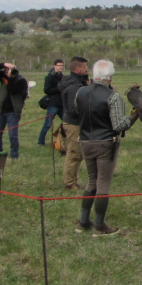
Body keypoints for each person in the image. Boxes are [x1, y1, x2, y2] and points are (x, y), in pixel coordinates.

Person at [74, 60, 140, 236]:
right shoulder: (113, 96)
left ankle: (83, 222)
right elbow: (119, 126)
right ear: (110, 76)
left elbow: (77, 112)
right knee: (103, 183)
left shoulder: (80, 92)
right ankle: (99, 225)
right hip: (105, 143)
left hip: (85, 141)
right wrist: (135, 115)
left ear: (95, 75)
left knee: (91, 180)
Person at [58, 56, 89, 189]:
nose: (87, 69)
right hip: (73, 124)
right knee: (73, 154)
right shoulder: (73, 87)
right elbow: (73, 108)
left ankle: (73, 180)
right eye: (84, 67)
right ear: (78, 69)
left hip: (78, 123)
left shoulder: (77, 83)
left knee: (79, 154)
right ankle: (69, 183)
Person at [0, 62, 28, 160]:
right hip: (1, 110)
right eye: (6, 70)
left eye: (9, 70)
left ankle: (14, 155)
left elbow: (12, 90)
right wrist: (4, 64)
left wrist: (11, 78)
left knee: (12, 135)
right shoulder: (3, 77)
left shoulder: (21, 81)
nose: (7, 72)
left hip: (13, 111)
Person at [37, 59, 64, 146]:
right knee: (47, 124)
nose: (61, 67)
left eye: (62, 65)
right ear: (54, 66)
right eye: (59, 65)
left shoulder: (63, 77)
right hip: (53, 104)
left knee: (68, 122)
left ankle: (65, 140)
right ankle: (41, 142)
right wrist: (58, 89)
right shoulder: (49, 77)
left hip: (62, 104)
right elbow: (47, 90)